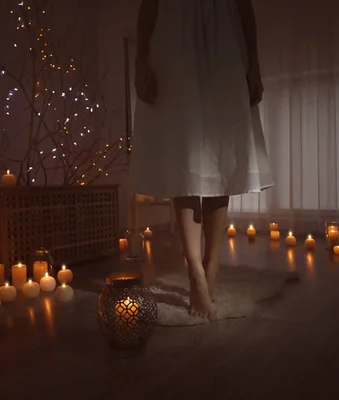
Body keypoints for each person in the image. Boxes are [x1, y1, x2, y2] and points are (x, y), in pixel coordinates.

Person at [131, 0, 274, 320]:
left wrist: (254, 64)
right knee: (183, 154)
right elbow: (148, 6)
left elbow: (244, 8)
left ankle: (211, 267)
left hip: (224, 41)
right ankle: (195, 272)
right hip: (172, 38)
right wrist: (141, 62)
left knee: (220, 157)